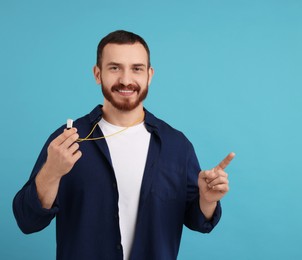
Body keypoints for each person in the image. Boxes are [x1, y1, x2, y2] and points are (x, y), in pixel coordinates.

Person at [13, 30, 235, 260]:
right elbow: (27, 221)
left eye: (136, 68)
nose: (126, 80)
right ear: (97, 74)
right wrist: (51, 172)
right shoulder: (66, 140)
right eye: (114, 68)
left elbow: (198, 221)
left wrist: (207, 200)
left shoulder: (177, 146)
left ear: (150, 75)